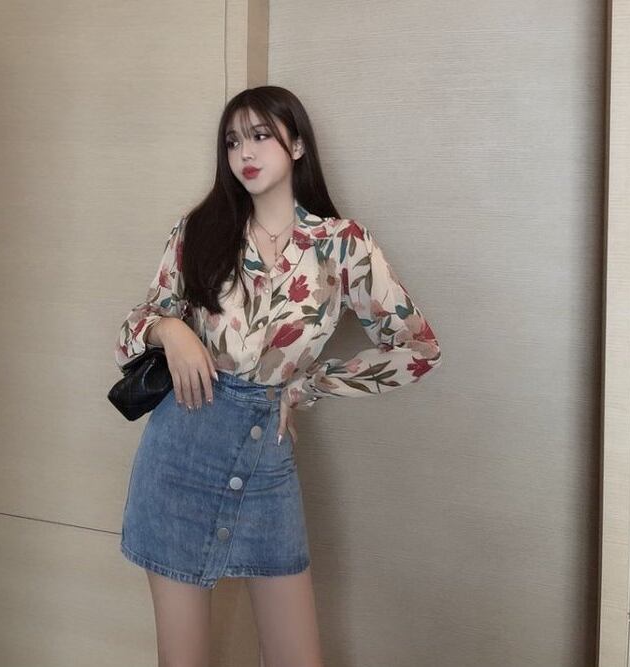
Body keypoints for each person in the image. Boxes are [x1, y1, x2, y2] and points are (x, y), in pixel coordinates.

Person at [114, 85, 442, 667]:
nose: (245, 151)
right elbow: (131, 331)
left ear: (296, 144)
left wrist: (308, 385)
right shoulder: (199, 230)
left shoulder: (342, 245)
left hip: (267, 462)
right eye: (233, 140)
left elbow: (418, 347)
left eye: (261, 135)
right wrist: (171, 331)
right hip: (179, 454)